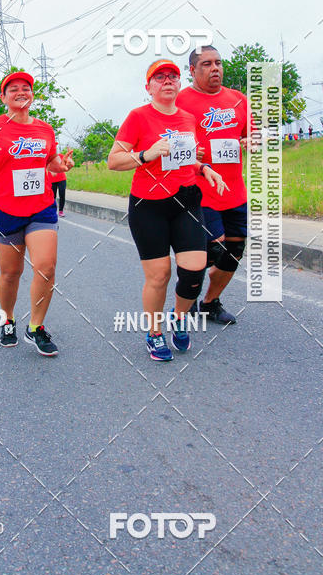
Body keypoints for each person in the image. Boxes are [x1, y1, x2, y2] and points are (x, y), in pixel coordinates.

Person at [108, 60, 226, 361]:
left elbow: (185, 158)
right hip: (148, 206)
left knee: (194, 272)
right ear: (148, 87)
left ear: (179, 83)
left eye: (172, 76)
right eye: (159, 78)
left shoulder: (187, 118)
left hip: (185, 201)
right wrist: (147, 154)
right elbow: (114, 161)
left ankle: (179, 316)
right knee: (159, 275)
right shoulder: (138, 117)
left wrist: (205, 168)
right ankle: (154, 332)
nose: (167, 81)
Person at [0, 71, 74, 357]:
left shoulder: (45, 129)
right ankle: (8, 319)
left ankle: (36, 327)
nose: (20, 92)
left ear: (32, 95)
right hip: (4, 209)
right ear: (4, 97)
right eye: (13, 89)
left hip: (41, 208)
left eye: (25, 88)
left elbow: (50, 162)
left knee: (46, 267)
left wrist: (60, 166)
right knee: (11, 272)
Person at [177, 45, 252, 325]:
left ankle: (210, 302)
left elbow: (253, 136)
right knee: (213, 249)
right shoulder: (182, 101)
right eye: (207, 64)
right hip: (199, 190)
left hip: (234, 192)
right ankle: (187, 293)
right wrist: (187, 149)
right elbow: (168, 138)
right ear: (193, 70)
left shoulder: (238, 100)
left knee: (234, 252)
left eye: (218, 63)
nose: (215, 68)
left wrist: (250, 142)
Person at [49, 143, 67, 217]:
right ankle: (53, 211)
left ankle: (61, 211)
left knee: (62, 195)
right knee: (53, 196)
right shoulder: (47, 158)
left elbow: (65, 165)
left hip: (62, 179)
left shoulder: (61, 156)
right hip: (51, 180)